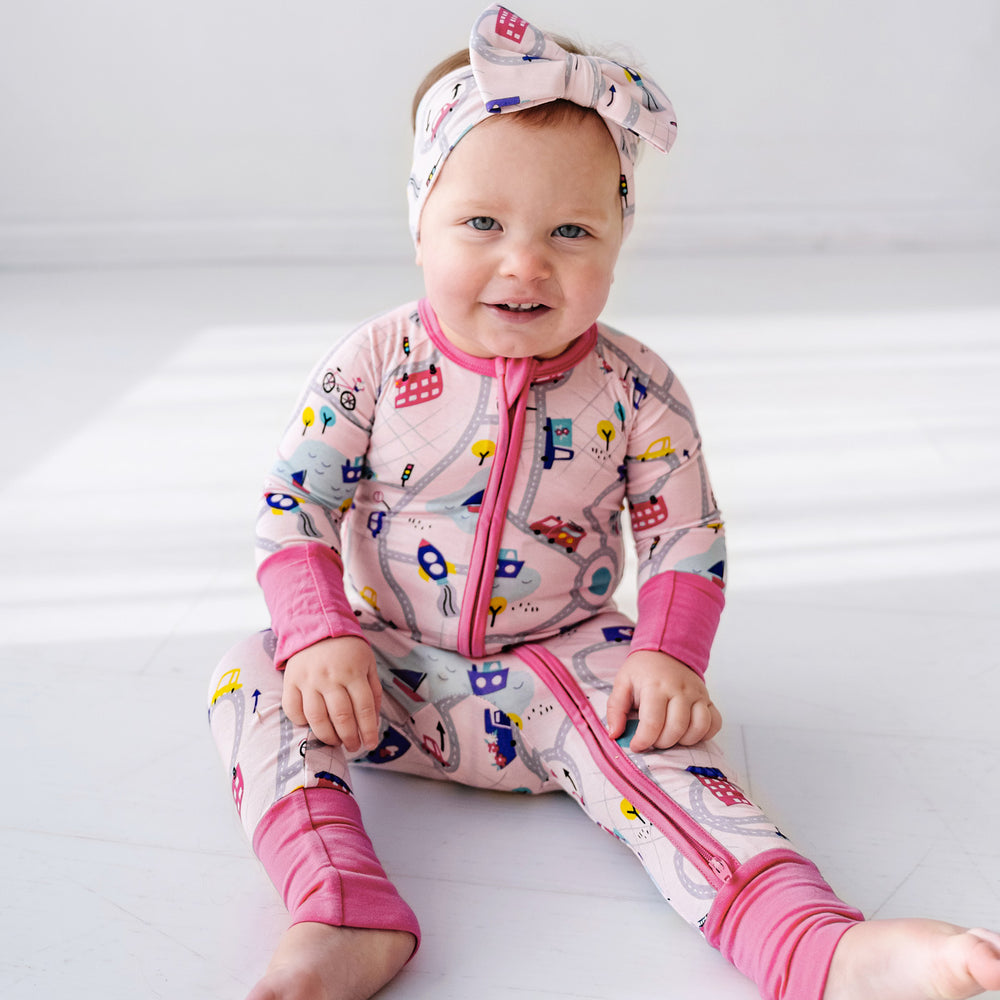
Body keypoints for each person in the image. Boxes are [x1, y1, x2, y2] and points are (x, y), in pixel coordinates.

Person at [207, 6, 1000, 1000]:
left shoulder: (637, 389)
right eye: (482, 223)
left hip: (570, 680)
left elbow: (685, 536)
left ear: (619, 243)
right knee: (251, 672)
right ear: (421, 222)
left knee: (671, 757)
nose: (524, 261)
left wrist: (666, 656)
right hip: (384, 674)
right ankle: (340, 903)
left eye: (570, 229)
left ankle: (813, 942)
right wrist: (320, 633)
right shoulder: (375, 361)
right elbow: (295, 504)